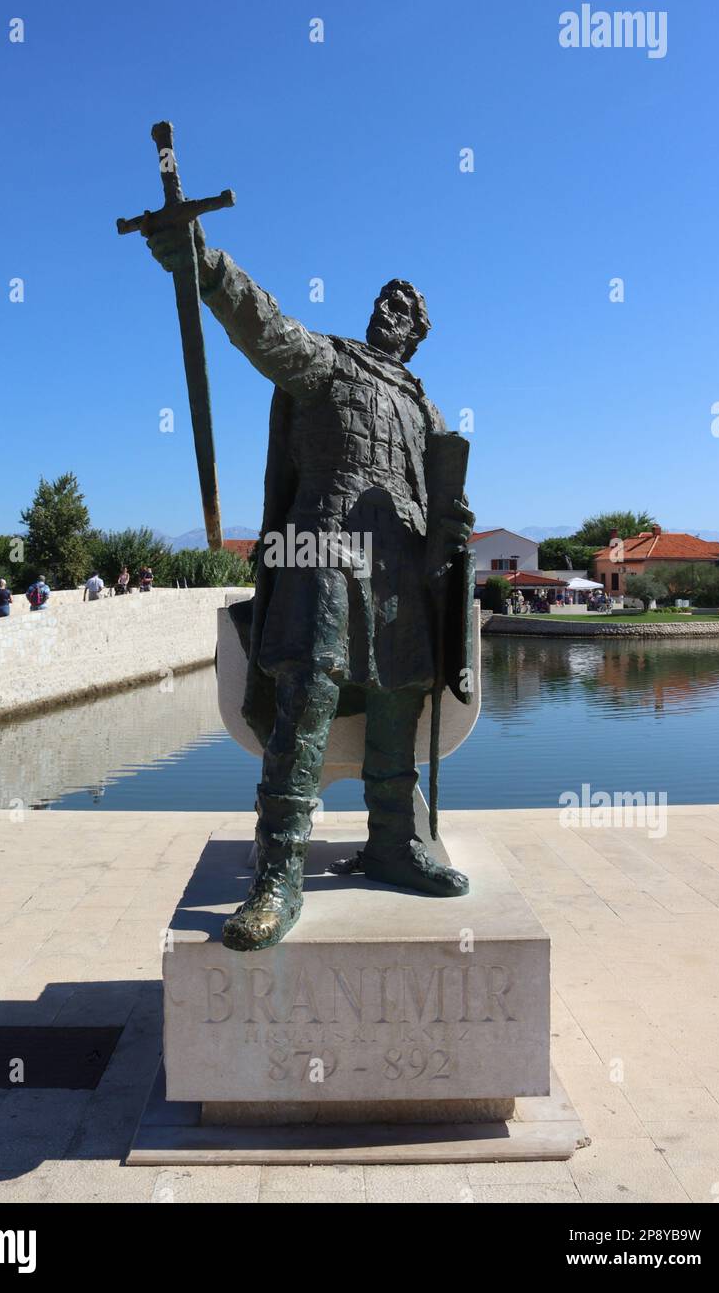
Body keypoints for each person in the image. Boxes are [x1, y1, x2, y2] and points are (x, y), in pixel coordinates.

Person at [146, 219, 474, 950]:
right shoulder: (328, 362)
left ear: (417, 334)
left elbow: (437, 489)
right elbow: (261, 325)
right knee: (310, 691)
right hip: (322, 543)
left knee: (399, 694)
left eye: (407, 308)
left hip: (401, 562)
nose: (391, 309)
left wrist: (450, 527)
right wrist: (205, 265)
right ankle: (279, 871)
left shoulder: (426, 409)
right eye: (387, 298)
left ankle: (392, 842)